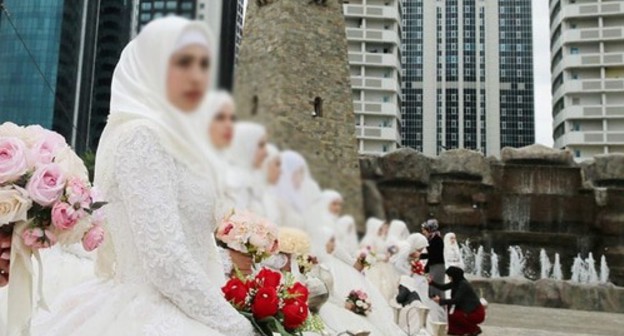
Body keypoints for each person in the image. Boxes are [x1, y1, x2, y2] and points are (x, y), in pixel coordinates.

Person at [32, 17, 255, 336]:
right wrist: (236, 325)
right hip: (155, 311)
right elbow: (165, 259)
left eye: (202, 65)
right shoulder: (142, 138)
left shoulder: (182, 144)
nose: (196, 76)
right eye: (182, 63)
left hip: (200, 302)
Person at [225, 121, 268, 211]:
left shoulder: (252, 178)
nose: (266, 153)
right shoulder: (233, 183)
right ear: (244, 145)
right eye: (261, 145)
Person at [431, 267, 485, 336]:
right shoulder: (456, 282)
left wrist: (440, 300)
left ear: (454, 276)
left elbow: (456, 300)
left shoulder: (463, 285)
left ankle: (474, 330)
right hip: (467, 309)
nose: (449, 278)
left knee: (456, 315)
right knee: (450, 310)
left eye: (450, 277)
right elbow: (443, 287)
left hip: (476, 312)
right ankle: (455, 331)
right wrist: (432, 282)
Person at [274, 151, 320, 230]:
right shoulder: (277, 199)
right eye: (300, 172)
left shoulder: (301, 199)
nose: (303, 177)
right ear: (288, 172)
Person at [421, 219, 445, 298]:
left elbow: (433, 255)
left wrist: (419, 256)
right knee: (432, 287)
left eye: (424, 230)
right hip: (433, 266)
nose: (423, 232)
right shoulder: (431, 239)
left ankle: (440, 306)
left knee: (435, 287)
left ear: (429, 230)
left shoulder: (437, 239)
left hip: (438, 266)